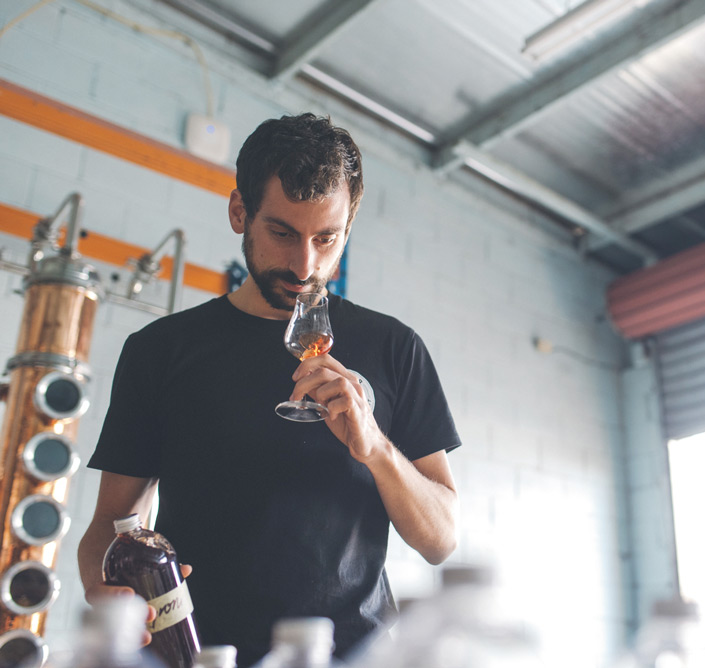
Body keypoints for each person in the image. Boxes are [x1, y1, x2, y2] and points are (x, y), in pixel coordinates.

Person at [77, 113, 461, 666]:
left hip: (353, 657)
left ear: (346, 230)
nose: (305, 265)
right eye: (283, 233)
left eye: (326, 239)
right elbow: (108, 530)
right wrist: (105, 589)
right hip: (195, 656)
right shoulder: (160, 350)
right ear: (240, 212)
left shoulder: (395, 349)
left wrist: (374, 446)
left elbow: (441, 540)